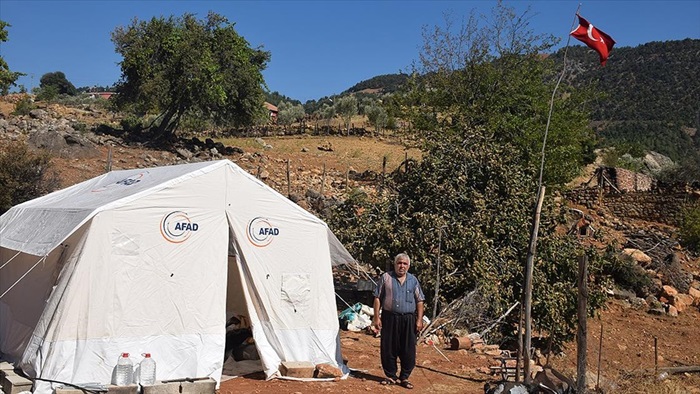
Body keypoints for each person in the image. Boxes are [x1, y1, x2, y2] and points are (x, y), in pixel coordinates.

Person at [372, 253, 425, 389]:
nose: (402, 266)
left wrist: (419, 320)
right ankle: (390, 375)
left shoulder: (413, 280)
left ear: (408, 266)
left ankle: (405, 377)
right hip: (389, 318)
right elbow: (377, 297)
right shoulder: (386, 278)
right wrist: (376, 317)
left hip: (408, 319)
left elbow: (419, 300)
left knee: (408, 349)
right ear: (395, 264)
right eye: (399, 263)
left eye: (404, 264)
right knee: (388, 347)